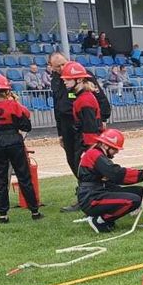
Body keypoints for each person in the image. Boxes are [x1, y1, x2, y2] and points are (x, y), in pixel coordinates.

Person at [0, 75, 42, 224]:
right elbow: (27, 125)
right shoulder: (14, 105)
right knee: (24, 176)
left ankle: (3, 215)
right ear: (7, 90)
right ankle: (34, 211)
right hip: (14, 141)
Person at [51, 53, 111, 214]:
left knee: (87, 160)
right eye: (58, 67)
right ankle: (86, 192)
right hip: (67, 125)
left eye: (63, 64)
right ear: (52, 67)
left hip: (85, 123)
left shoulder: (81, 76)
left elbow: (100, 98)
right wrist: (60, 133)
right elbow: (57, 107)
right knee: (73, 160)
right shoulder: (57, 80)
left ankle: (93, 193)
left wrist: (103, 118)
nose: (62, 69)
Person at [77, 129, 143, 233]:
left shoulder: (96, 154)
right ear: (105, 145)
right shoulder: (95, 155)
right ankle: (100, 220)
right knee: (133, 200)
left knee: (141, 192)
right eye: (115, 148)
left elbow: (116, 173)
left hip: (98, 191)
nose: (117, 151)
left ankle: (102, 216)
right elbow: (117, 174)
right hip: (91, 198)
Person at [66, 62, 105, 152]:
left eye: (68, 79)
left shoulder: (85, 100)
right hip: (84, 140)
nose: (65, 82)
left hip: (87, 143)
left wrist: (89, 149)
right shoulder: (82, 97)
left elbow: (90, 127)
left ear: (79, 80)